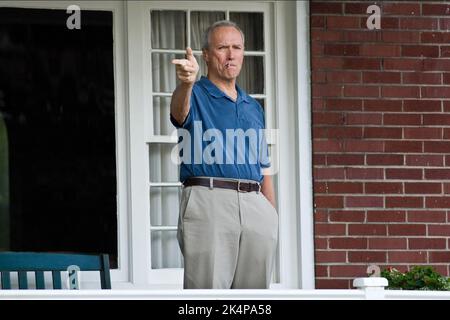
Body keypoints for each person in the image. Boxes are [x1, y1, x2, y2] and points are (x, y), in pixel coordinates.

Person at [170, 20, 278, 289]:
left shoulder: (253, 106)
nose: (231, 55)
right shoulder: (194, 93)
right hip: (210, 199)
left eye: (237, 47)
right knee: (207, 296)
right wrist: (186, 83)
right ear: (206, 55)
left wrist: (271, 215)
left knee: (253, 299)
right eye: (222, 48)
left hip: (255, 204)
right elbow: (178, 113)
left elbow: (263, 167)